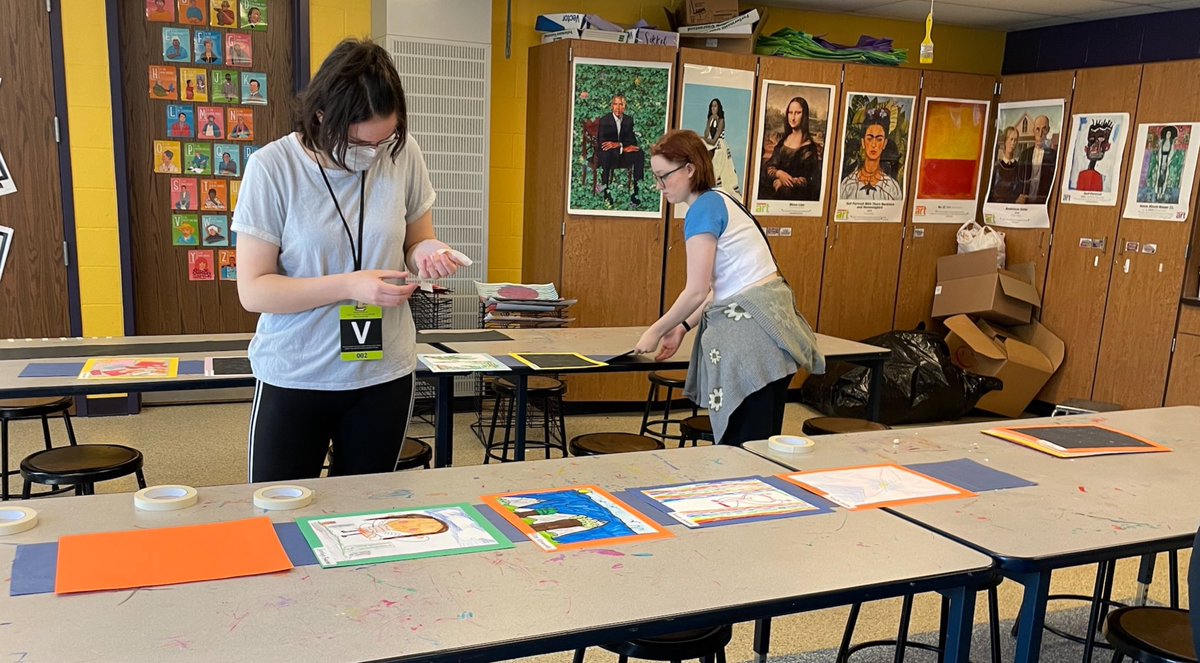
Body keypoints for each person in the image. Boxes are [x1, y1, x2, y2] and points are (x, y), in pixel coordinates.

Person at [232, 38, 465, 482]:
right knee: (279, 512)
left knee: (366, 511)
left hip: (383, 374)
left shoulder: (402, 153)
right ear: (323, 115)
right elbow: (254, 290)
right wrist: (350, 285)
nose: (373, 153)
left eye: (384, 139)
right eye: (359, 141)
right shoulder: (273, 168)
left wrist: (426, 252)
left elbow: (417, 239)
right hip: (297, 372)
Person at [634, 129, 825, 446]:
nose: (659, 186)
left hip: (752, 344)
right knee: (761, 447)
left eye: (663, 176)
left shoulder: (702, 210)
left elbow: (696, 290)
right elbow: (719, 287)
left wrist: (655, 331)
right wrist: (681, 327)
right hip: (773, 341)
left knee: (743, 453)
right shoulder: (723, 199)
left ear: (690, 168)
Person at [762, 96, 822, 201]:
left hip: (796, 198)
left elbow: (810, 180)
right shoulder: (783, 141)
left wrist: (786, 182)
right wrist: (779, 173)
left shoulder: (809, 148)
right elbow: (770, 166)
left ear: (804, 115)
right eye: (790, 112)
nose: (793, 117)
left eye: (798, 113)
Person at [838, 107, 902, 201]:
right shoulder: (847, 184)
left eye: (879, 139)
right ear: (863, 142)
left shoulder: (892, 188)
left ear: (884, 143)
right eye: (869, 138)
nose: (873, 144)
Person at [596, 94, 645, 207]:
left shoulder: (628, 120)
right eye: (615, 104)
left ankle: (636, 193)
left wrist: (619, 145)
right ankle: (606, 192)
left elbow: (632, 141)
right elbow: (603, 143)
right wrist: (622, 147)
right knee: (606, 154)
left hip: (622, 154)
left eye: (621, 104)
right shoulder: (605, 120)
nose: (618, 108)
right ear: (612, 106)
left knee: (639, 153)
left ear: (624, 106)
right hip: (608, 154)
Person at [703, 98, 740, 195]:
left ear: (718, 107)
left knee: (719, 169)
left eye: (715, 106)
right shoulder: (711, 119)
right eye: (712, 106)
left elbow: (714, 140)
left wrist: (702, 138)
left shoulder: (721, 120)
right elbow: (706, 134)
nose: (713, 108)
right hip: (712, 145)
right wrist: (709, 120)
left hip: (719, 146)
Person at [1017, 114, 1057, 205]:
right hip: (1024, 203)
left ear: (1048, 130)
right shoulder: (1025, 154)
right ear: (1033, 130)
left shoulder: (1053, 156)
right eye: (1037, 129)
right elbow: (1018, 179)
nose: (1040, 134)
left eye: (1044, 129)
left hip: (1043, 203)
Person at [1074, 119, 1113, 193]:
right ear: (1086, 148)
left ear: (1107, 147)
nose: (1095, 146)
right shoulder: (1082, 175)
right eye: (1091, 140)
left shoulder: (1102, 177)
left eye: (1101, 141)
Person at [989, 126, 1024, 203]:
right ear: (1005, 141)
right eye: (1011, 139)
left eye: (1015, 140)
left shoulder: (1019, 168)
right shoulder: (996, 168)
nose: (1013, 143)